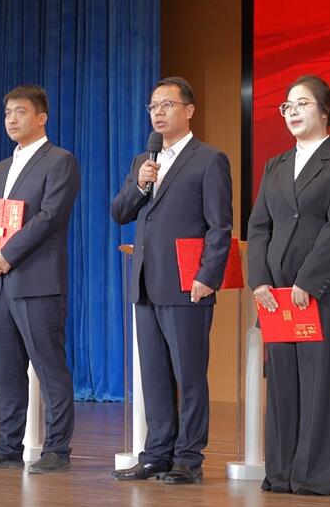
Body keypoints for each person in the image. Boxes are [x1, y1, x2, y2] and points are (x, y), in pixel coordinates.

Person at [110, 76, 232, 485]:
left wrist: (207, 276)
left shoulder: (209, 159)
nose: (158, 113)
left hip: (187, 284)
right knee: (154, 376)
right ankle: (156, 455)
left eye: (167, 105)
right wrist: (140, 183)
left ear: (189, 110)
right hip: (146, 283)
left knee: (189, 375)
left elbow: (220, 226)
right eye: (153, 106)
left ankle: (189, 458)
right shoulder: (143, 161)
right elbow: (120, 212)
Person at [247, 74, 330, 495]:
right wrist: (259, 280)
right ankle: (282, 473)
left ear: (325, 111)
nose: (292, 112)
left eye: (302, 104)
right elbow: (259, 225)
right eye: (287, 106)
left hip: (326, 291)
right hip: (278, 295)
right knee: (283, 384)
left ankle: (317, 476)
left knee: (322, 385)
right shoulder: (275, 165)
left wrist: (308, 280)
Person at [0, 84, 81, 474]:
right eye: (7, 114)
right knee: (7, 370)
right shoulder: (1, 167)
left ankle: (57, 449)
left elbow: (49, 218)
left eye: (20, 112)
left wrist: (7, 255)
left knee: (49, 368)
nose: (12, 120)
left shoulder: (60, 161)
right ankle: (7, 446)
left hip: (37, 282)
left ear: (41, 118)